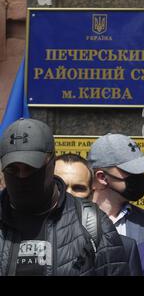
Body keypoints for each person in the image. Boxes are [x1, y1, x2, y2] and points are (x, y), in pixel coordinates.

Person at [0, 118, 130, 276]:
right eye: (12, 170)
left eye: (30, 168)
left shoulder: (92, 223)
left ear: (52, 163)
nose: (22, 177)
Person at [87, 133, 144, 276]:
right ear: (102, 177)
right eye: (129, 171)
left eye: (140, 171)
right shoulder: (73, 219)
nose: (139, 178)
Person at [55, 153, 142, 276]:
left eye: (78, 188)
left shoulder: (123, 248)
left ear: (91, 192)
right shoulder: (23, 241)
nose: (68, 194)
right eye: (59, 186)